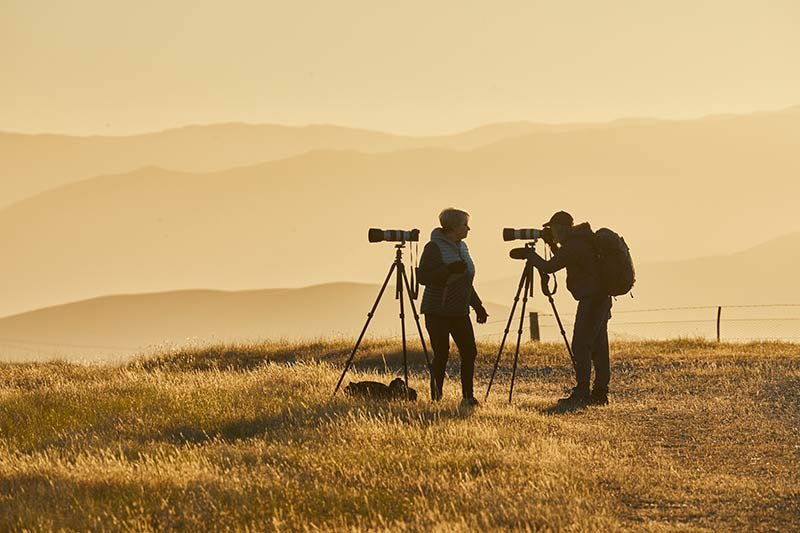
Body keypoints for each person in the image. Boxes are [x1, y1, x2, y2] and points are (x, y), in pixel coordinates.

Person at [515, 211, 612, 407]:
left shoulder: (574, 245)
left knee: (580, 345)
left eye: (552, 230)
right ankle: (600, 392)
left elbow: (550, 266)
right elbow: (564, 258)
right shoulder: (581, 241)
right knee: (599, 348)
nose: (552, 233)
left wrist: (529, 255)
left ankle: (583, 391)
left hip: (591, 301)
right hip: (601, 299)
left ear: (560, 228)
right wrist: (551, 244)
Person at [417, 208, 489, 407]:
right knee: (442, 354)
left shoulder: (462, 247)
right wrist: (448, 269)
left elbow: (465, 280)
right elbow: (423, 277)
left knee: (469, 352)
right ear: (453, 227)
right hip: (437, 310)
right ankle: (436, 398)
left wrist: (478, 306)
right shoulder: (433, 247)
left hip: (459, 310)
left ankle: (467, 397)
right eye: (465, 224)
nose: (468, 228)